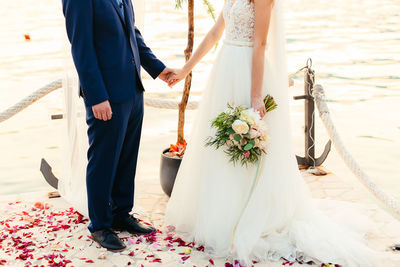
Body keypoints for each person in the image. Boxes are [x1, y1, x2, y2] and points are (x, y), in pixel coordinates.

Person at [165, 0, 393, 265]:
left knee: (248, 150)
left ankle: (247, 220)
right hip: (224, 70)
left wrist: (255, 95)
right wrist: (185, 69)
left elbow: (260, 44)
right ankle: (220, 216)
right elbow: (216, 32)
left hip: (249, 74)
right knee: (221, 149)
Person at [62, 0, 175, 252]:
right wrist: (96, 96)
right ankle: (100, 225)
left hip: (133, 88)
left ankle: (121, 213)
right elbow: (81, 47)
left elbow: (131, 32)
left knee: (126, 156)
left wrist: (158, 69)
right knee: (103, 159)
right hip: (105, 94)